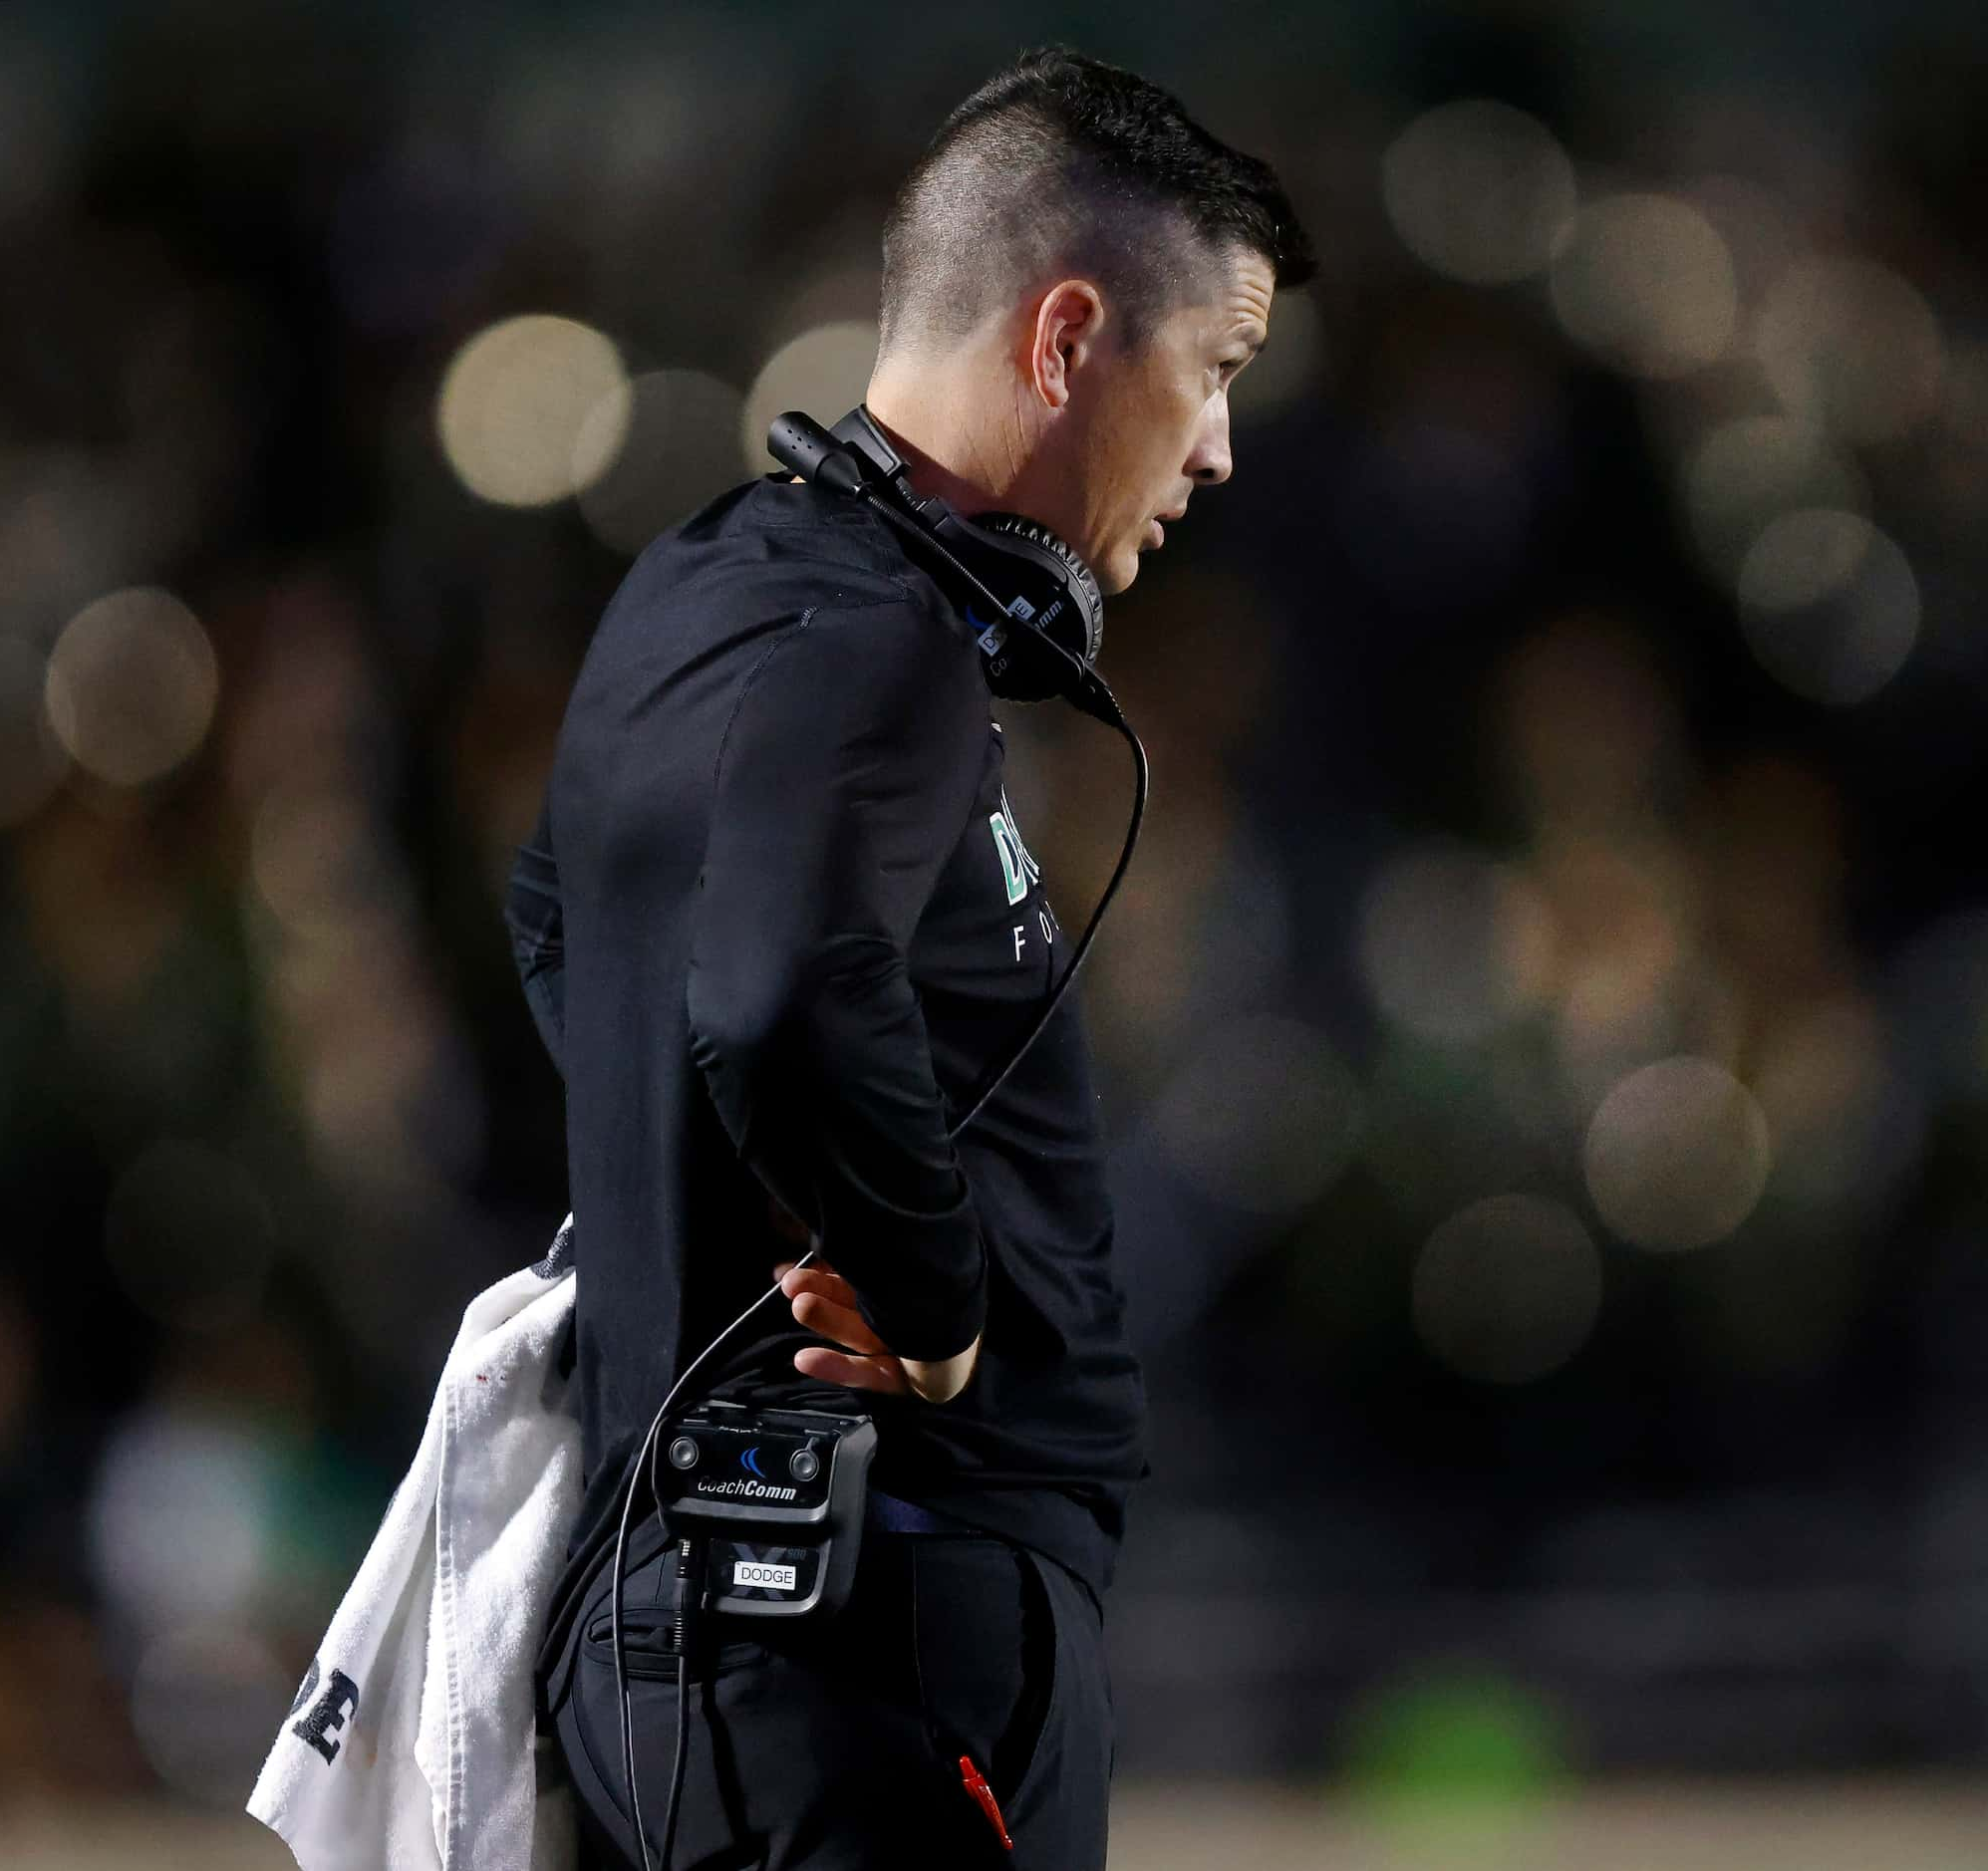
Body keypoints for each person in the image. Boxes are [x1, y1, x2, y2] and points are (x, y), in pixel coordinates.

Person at [506, 45, 1312, 1871]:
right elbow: (775, 990)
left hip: (726, 1624)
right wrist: (927, 1304)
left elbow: (560, 925)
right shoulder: (879, 648)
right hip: (870, 1632)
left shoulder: (697, 585)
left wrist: (736, 1199)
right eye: (1216, 373)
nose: (1217, 447)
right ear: (1064, 340)